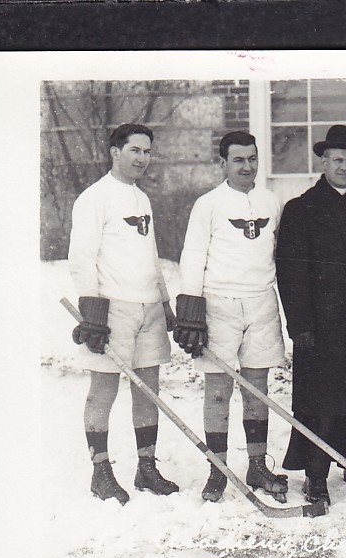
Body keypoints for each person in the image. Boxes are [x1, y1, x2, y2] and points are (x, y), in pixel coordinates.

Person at [275, 125, 346, 507]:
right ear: (323, 161)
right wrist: (300, 324)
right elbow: (290, 274)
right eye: (337, 160)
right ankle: (316, 474)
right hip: (318, 324)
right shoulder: (300, 209)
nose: (344, 167)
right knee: (318, 400)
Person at [173, 131, 287, 503]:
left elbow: (277, 256)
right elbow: (192, 257)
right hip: (219, 302)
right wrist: (191, 311)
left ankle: (257, 465)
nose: (247, 166)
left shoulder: (271, 201)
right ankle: (218, 470)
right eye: (238, 159)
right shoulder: (208, 204)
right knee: (218, 391)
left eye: (252, 158)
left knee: (257, 388)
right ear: (222, 163)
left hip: (260, 302)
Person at [67, 122, 178, 505]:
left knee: (148, 388)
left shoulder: (141, 198)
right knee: (104, 390)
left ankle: (146, 468)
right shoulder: (94, 198)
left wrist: (165, 304)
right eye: (135, 150)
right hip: (112, 309)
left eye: (147, 152)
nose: (142, 158)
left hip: (148, 307)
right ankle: (101, 472)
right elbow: (81, 259)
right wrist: (93, 313)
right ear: (115, 151)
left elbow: (151, 257)